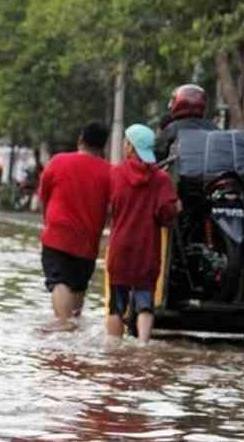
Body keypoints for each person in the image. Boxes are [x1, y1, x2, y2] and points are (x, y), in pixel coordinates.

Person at [106, 124, 179, 344]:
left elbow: (110, 208)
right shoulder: (162, 179)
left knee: (116, 305)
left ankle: (113, 345)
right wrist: (177, 207)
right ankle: (143, 344)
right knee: (145, 299)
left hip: (120, 247)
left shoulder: (116, 174)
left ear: (130, 146)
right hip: (147, 249)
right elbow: (167, 214)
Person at [38, 122, 111, 331]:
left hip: (57, 236)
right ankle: (73, 328)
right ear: (103, 146)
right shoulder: (109, 172)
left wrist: (47, 223)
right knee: (79, 286)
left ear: (80, 140)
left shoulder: (58, 161)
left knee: (59, 280)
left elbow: (44, 195)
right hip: (88, 241)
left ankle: (62, 324)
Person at [155, 84, 217, 162]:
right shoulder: (214, 128)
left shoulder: (172, 129)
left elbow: (156, 155)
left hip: (180, 173)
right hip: (213, 173)